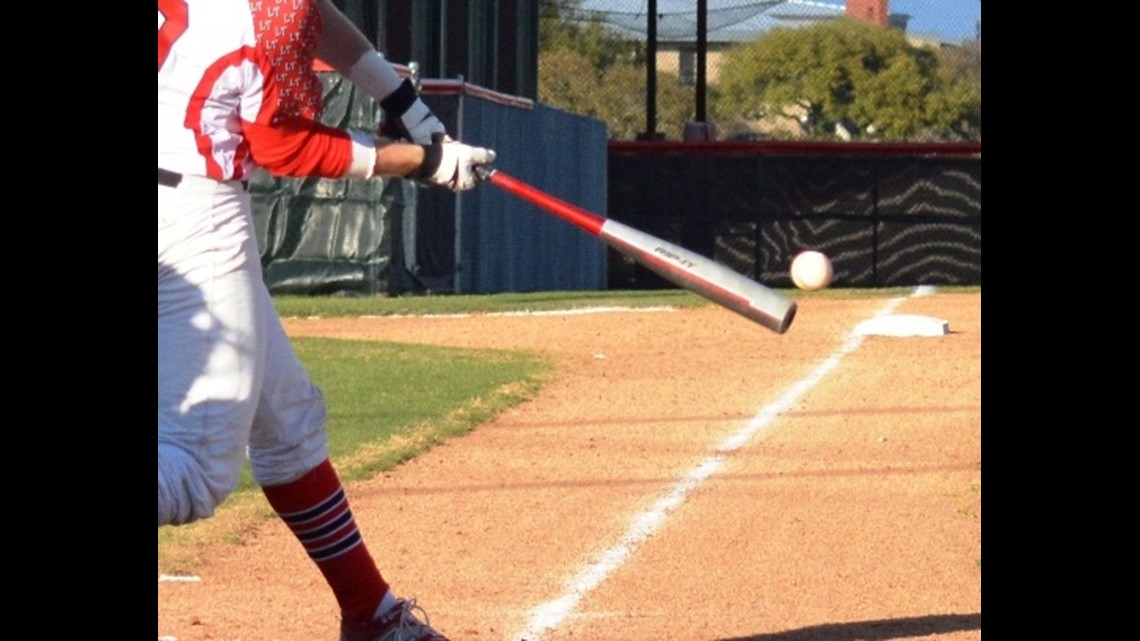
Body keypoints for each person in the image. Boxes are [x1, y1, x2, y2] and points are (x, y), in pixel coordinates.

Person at [158, 1, 495, 639]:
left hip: (173, 182)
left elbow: (316, 17)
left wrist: (406, 103)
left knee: (287, 420)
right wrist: (422, 162)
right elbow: (284, 146)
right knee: (196, 474)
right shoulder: (274, 10)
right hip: (191, 212)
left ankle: (372, 613)